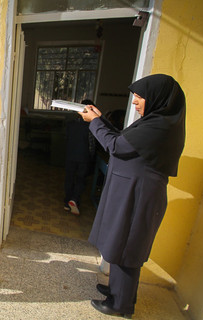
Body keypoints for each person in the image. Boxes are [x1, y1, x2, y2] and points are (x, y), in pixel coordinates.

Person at [78, 74, 185, 318]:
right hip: (133, 191)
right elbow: (124, 139)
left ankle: (121, 305)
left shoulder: (160, 126)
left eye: (139, 97)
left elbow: (115, 146)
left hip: (139, 197)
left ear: (157, 98)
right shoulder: (155, 121)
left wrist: (94, 122)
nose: (135, 102)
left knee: (128, 248)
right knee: (120, 241)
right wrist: (102, 118)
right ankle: (117, 290)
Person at [63, 99, 96, 215]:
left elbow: (66, 139)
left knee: (69, 178)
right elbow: (91, 144)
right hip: (83, 157)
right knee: (80, 179)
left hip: (70, 155)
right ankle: (75, 199)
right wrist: (92, 156)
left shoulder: (70, 124)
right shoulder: (91, 126)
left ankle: (67, 202)